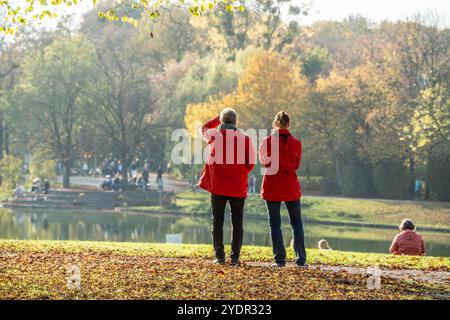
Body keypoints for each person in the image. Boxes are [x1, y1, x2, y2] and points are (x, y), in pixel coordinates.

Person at [198, 108, 255, 265]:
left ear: (222, 121)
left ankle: (219, 256)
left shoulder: (214, 136)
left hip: (218, 187)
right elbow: (250, 164)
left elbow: (203, 128)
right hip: (237, 187)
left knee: (217, 222)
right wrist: (239, 172)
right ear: (235, 122)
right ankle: (235, 257)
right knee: (237, 223)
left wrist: (218, 118)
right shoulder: (245, 139)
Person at [259, 111, 307, 268]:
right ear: (289, 124)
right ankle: (300, 258)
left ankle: (279, 259)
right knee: (296, 222)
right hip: (290, 185)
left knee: (274, 223)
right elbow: (297, 165)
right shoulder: (296, 143)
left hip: (272, 184)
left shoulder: (267, 142)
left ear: (275, 124)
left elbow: (264, 162)